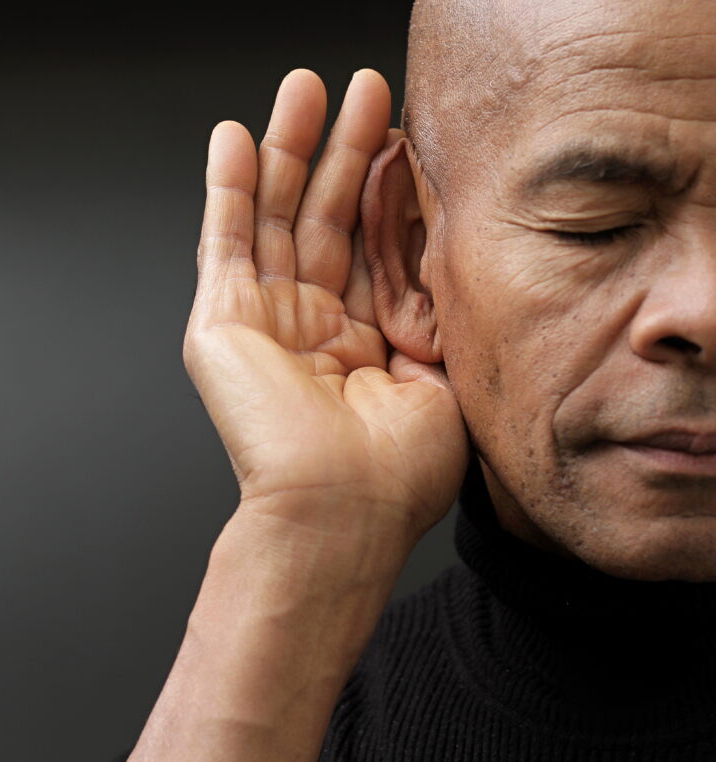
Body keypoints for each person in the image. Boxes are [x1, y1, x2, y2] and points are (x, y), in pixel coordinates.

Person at [128, 0, 716, 758]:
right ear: (412, 261)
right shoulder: (286, 715)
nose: (702, 311)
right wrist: (304, 538)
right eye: (597, 224)